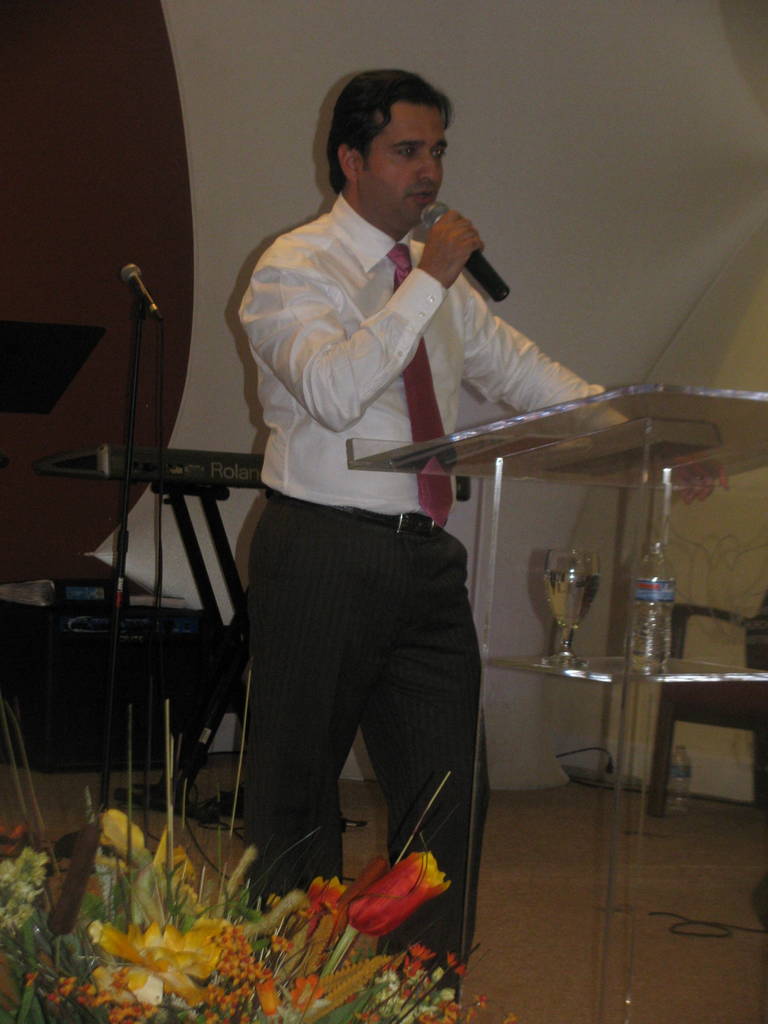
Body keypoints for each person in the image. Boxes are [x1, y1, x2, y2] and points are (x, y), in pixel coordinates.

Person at [238, 69, 602, 961]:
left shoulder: (435, 285)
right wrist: (427, 281)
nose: (429, 171)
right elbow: (332, 390)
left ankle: (419, 997)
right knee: (296, 795)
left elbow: (527, 374)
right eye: (406, 150)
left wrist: (642, 433)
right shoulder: (295, 267)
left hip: (426, 559)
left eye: (437, 150)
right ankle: (286, 994)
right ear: (350, 158)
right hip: (322, 547)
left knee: (447, 796)